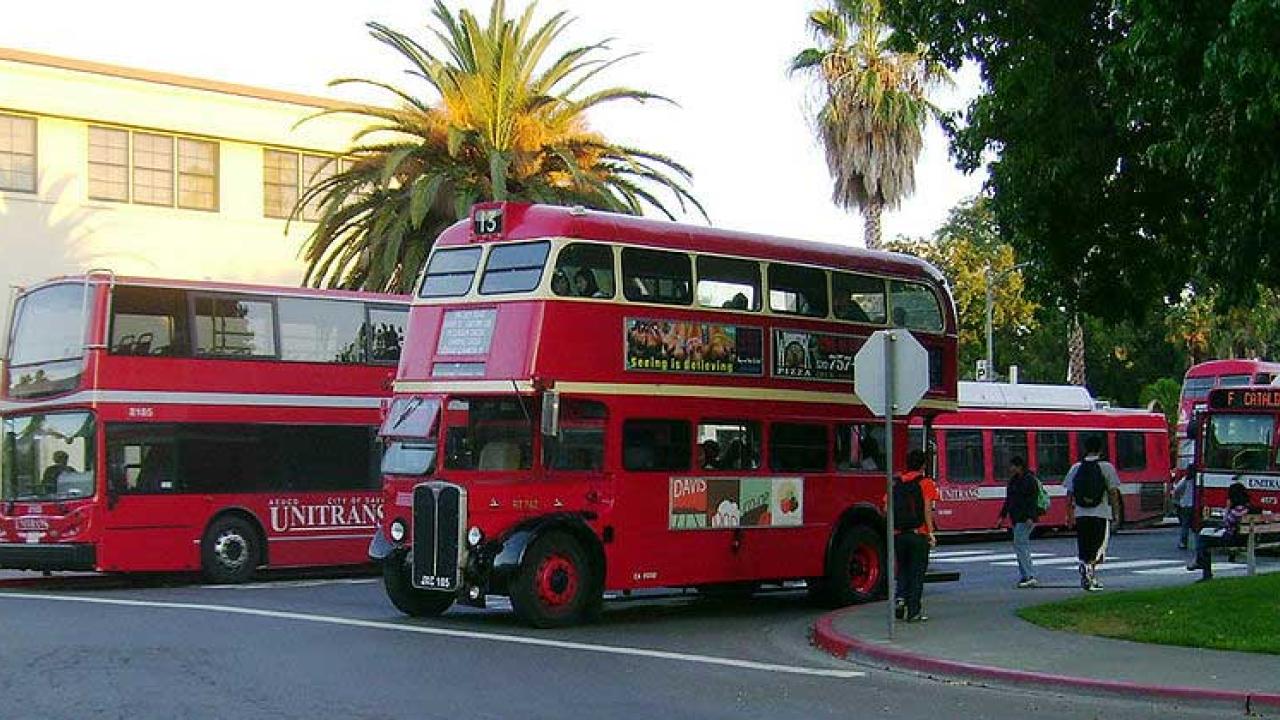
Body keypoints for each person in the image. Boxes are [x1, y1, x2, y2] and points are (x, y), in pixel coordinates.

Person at [1063, 436, 1122, 592]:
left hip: (1081, 514)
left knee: (1085, 546)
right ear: (1101, 450)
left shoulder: (1076, 468)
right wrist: (1116, 514)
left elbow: (1069, 494)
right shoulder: (1106, 467)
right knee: (1098, 547)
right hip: (1100, 513)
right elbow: (1113, 492)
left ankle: (1090, 575)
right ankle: (1089, 572)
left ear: (1084, 449)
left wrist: (1069, 515)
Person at [889, 449, 938, 623]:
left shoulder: (897, 483)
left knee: (902, 569)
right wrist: (931, 533)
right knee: (917, 573)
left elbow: (886, 508)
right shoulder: (926, 483)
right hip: (919, 534)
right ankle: (914, 612)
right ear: (923, 465)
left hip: (899, 535)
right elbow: (927, 510)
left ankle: (900, 598)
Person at [1187, 481, 1255, 581]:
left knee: (1203, 539)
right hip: (1244, 538)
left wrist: (1227, 508)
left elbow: (1226, 521)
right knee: (1206, 533)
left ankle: (1204, 568)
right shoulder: (1248, 508)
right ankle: (1200, 561)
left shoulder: (1237, 510)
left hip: (1232, 539)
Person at [997, 456, 1041, 588]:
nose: (1010, 468)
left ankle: (1029, 575)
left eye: (1012, 466)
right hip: (1017, 518)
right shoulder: (1014, 480)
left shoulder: (1029, 480)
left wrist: (1030, 517)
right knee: (1020, 545)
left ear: (1019, 466)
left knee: (1021, 545)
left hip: (1025, 518)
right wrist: (1002, 516)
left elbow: (1032, 500)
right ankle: (1025, 575)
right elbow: (1009, 500)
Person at [1171, 470, 1196, 550]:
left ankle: (1183, 543)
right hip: (1195, 505)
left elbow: (1177, 489)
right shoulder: (1198, 479)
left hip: (1185, 504)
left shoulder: (1186, 480)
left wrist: (1177, 499)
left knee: (1185, 525)